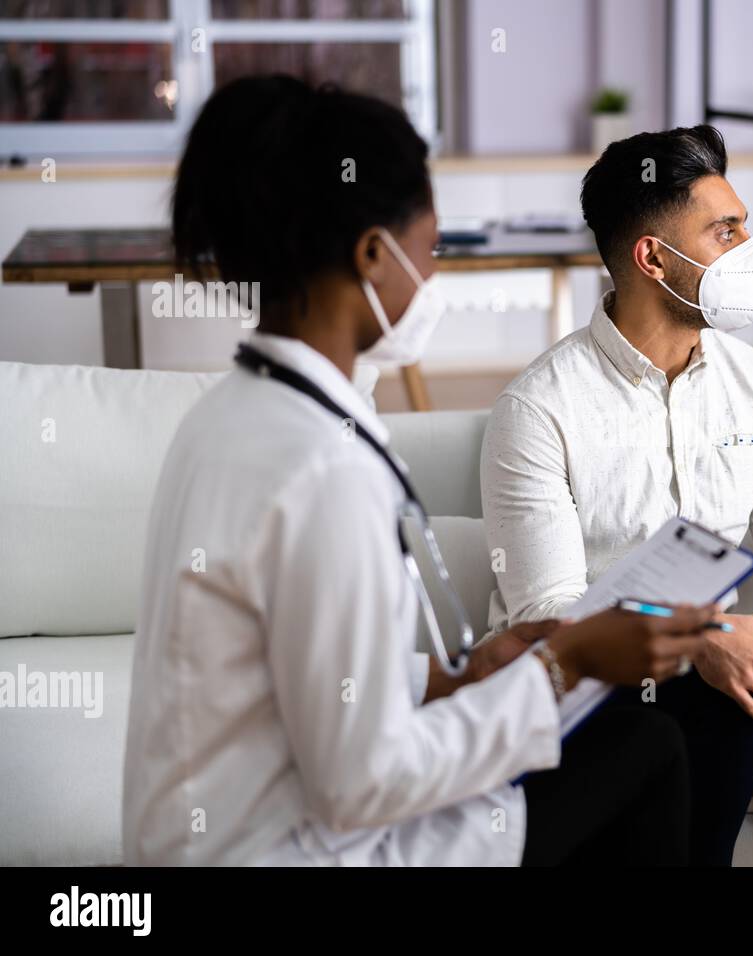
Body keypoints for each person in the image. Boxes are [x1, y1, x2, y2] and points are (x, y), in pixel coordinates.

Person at [122, 75, 714, 867]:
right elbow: (360, 782)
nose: (431, 279)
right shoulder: (319, 467)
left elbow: (295, 673)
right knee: (645, 750)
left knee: (633, 741)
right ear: (373, 253)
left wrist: (452, 675)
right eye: (428, 251)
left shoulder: (227, 418)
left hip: (210, 839)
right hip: (290, 848)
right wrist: (560, 665)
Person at [480, 125, 753, 866]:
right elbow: (548, 614)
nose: (750, 252)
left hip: (719, 675)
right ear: (652, 257)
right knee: (733, 709)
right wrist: (708, 639)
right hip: (593, 690)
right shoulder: (539, 408)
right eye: (726, 231)